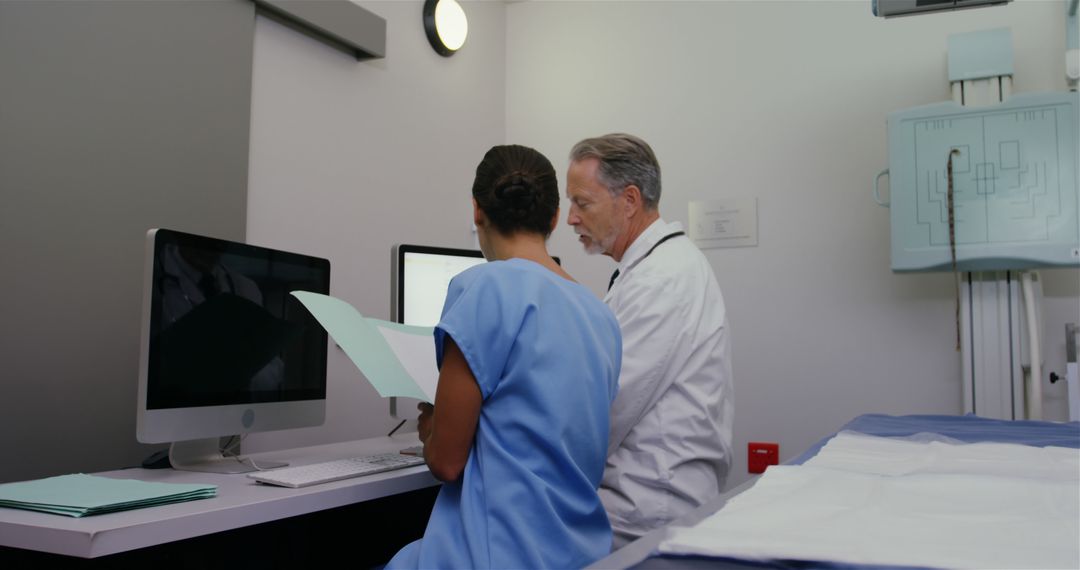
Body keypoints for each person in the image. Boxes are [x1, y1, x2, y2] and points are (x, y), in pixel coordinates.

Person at [386, 145, 622, 569]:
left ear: (477, 210)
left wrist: (431, 429)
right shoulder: (600, 315)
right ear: (553, 218)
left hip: (495, 556)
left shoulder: (482, 288)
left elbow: (446, 462)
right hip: (579, 556)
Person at [566, 133, 733, 547]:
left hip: (644, 514)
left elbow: (604, 414)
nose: (570, 218)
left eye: (582, 203)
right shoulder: (648, 271)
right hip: (638, 503)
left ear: (629, 201)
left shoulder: (662, 279)